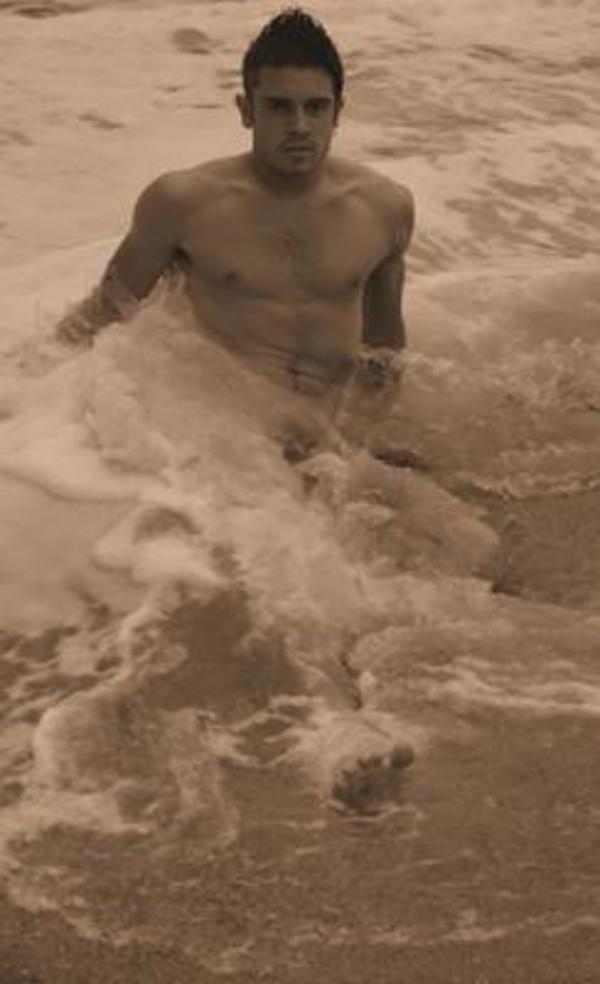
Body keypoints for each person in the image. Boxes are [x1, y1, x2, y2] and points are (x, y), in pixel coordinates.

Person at [55, 7, 414, 458]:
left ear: (338, 112)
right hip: (226, 441)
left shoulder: (384, 209)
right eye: (279, 106)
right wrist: (24, 395)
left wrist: (356, 444)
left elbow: (383, 354)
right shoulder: (183, 203)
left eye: (316, 107)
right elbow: (104, 313)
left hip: (328, 433)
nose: (299, 126)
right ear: (246, 111)